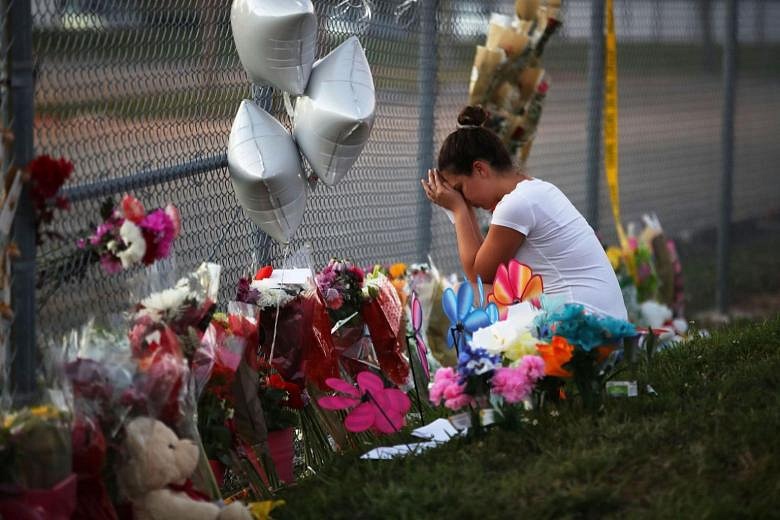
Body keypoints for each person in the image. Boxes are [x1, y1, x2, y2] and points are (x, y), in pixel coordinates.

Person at [421, 105, 627, 320]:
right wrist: (460, 207)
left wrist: (458, 210)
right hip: (598, 318)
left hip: (586, 323)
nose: (466, 200)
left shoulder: (516, 204)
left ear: (480, 169)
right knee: (475, 294)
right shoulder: (532, 190)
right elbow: (484, 267)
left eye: (461, 189)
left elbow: (479, 276)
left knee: (462, 295)